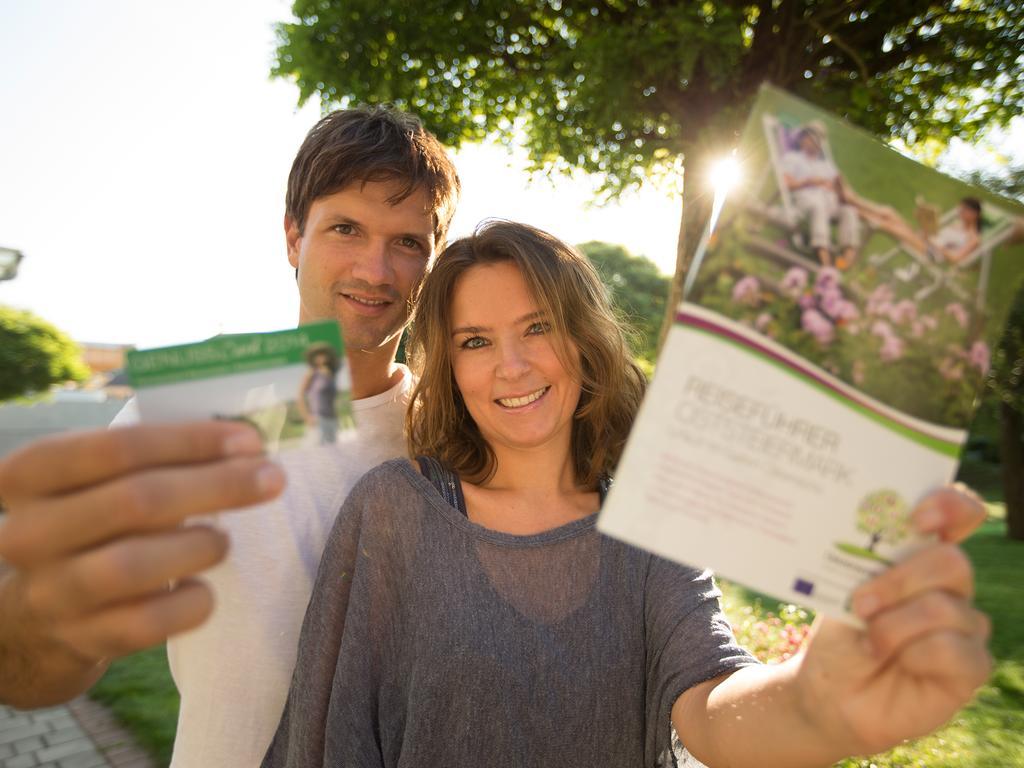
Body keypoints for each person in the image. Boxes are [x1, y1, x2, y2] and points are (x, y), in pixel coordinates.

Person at [261, 222, 991, 767]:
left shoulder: (651, 522)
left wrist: (816, 699)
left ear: (581, 340)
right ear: (449, 366)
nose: (512, 368)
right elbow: (331, 736)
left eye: (537, 328)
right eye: (475, 341)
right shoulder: (394, 511)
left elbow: (707, 700)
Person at [0, 106, 460, 768]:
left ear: (435, 261)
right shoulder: (208, 396)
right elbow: (27, 678)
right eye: (346, 229)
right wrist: (49, 621)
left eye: (408, 242)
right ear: (293, 237)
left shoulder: (452, 426)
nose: (376, 270)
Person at [781, 120, 862, 268]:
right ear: (802, 139)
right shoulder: (792, 158)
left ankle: (846, 262)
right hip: (805, 197)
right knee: (818, 207)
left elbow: (839, 187)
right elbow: (787, 183)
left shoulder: (825, 164)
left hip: (828, 199)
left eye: (819, 138)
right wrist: (810, 181)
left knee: (849, 210)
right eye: (811, 137)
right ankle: (825, 261)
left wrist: (838, 186)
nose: (815, 141)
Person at [860, 196, 983, 266]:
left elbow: (956, 259)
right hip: (924, 241)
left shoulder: (974, 238)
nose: (959, 213)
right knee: (889, 212)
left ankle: (856, 212)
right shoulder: (956, 225)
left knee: (890, 225)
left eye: (963, 210)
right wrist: (925, 224)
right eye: (959, 209)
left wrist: (935, 244)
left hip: (931, 253)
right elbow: (934, 234)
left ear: (974, 214)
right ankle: (853, 202)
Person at [298, 342, 342, 444]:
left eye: (323, 354)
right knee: (318, 450)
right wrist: (306, 417)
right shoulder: (311, 374)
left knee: (334, 448)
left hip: (332, 418)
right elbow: (300, 396)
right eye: (317, 355)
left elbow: (333, 397)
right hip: (318, 418)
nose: (320, 358)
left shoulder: (330, 374)